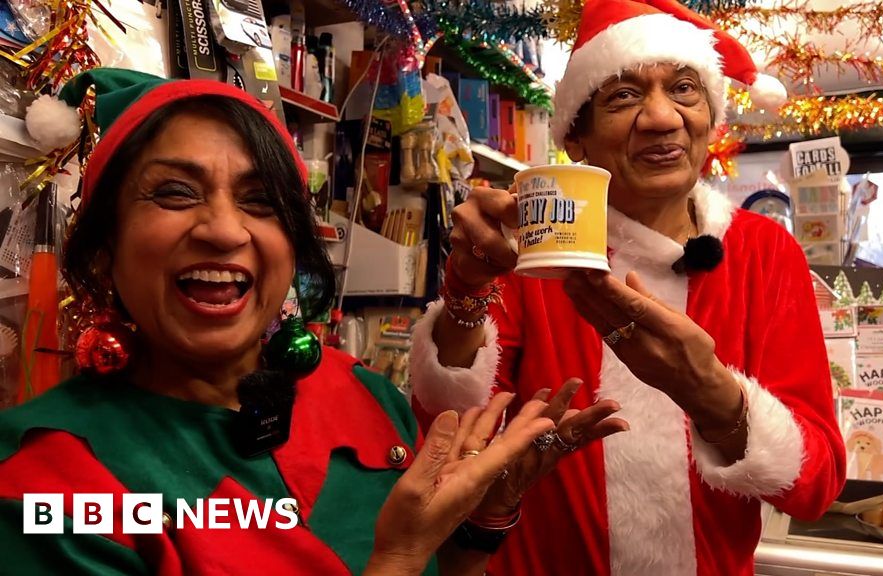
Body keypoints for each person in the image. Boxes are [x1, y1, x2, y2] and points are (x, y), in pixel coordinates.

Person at [0, 68, 625, 574]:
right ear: (105, 246)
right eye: (175, 193)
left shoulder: (361, 391)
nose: (223, 230)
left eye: (260, 202)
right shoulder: (48, 479)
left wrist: (479, 522)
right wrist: (398, 562)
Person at [409, 0, 846, 574]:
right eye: (623, 95)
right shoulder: (541, 249)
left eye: (685, 89)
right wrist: (466, 288)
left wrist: (712, 394)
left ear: (709, 116)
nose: (663, 117)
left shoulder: (764, 253)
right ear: (576, 140)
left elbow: (814, 486)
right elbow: (448, 432)